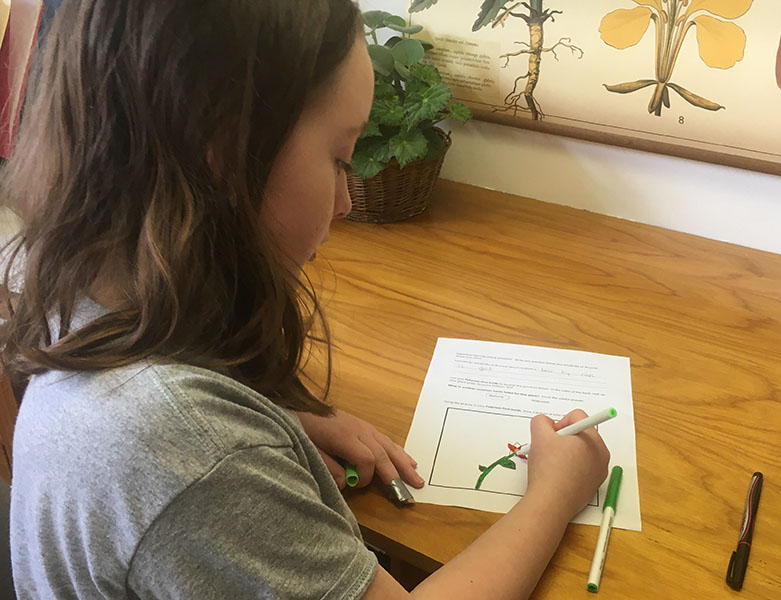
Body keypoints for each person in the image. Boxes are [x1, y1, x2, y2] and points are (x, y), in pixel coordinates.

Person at [0, 1, 610, 598]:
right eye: (340, 158)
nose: (346, 203)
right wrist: (555, 492)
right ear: (225, 148)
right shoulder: (188, 453)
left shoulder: (70, 279)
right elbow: (180, 457)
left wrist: (273, 415)